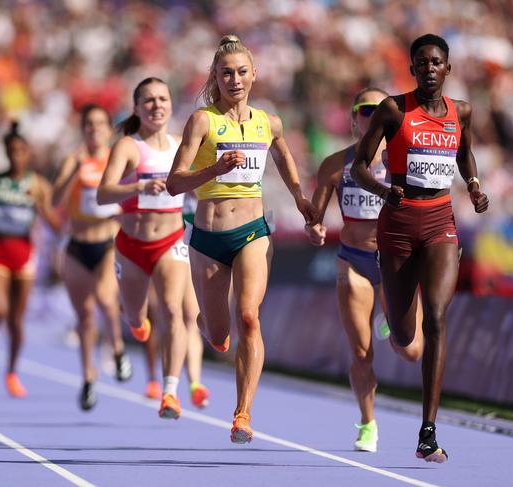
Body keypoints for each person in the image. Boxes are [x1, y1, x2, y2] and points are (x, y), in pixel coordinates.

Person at [166, 34, 318, 443]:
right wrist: (212, 171)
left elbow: (283, 157)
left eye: (242, 72)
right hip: (209, 238)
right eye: (226, 73)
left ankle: (243, 414)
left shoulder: (268, 122)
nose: (235, 80)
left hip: (252, 231)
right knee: (218, 336)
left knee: (249, 316)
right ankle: (207, 322)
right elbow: (173, 183)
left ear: (255, 75)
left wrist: (302, 199)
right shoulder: (203, 121)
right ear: (215, 77)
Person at [350, 34, 489, 462]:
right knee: (405, 332)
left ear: (448, 68)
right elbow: (358, 166)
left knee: (438, 318)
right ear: (412, 69)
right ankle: (392, 318)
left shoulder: (460, 112)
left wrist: (473, 184)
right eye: (421, 63)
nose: (429, 68)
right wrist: (382, 189)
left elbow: (465, 156)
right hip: (397, 224)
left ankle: (428, 431)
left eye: (436, 62)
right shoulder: (394, 109)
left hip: (440, 223)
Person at [306, 87, 424, 452]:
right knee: (360, 353)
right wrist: (315, 228)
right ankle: (368, 423)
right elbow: (315, 216)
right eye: (365, 109)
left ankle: (391, 319)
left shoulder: (405, 161)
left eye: (380, 109)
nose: (372, 115)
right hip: (353, 261)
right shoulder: (335, 164)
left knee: (411, 351)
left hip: (396, 261)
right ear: (354, 117)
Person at [97, 77, 189, 420]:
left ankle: (169, 392)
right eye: (148, 100)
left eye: (162, 99)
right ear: (136, 108)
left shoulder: (183, 145)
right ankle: (137, 326)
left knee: (172, 310)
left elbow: (196, 185)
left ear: (170, 104)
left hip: (170, 240)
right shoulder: (128, 147)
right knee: (136, 317)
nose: (156, 105)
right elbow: (103, 194)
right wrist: (140, 186)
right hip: (132, 244)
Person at [0, 121, 61, 397]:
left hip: (25, 255)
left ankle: (12, 372)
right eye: (11, 151)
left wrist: (40, 204)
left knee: (17, 321)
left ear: (28, 153)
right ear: (6, 152)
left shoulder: (38, 184)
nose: (16, 156)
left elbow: (56, 225)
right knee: (0, 309)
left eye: (21, 151)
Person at [52, 104, 132, 411]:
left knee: (107, 300)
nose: (95, 130)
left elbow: (131, 196)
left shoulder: (118, 159)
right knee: (84, 317)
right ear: (83, 129)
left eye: (100, 124)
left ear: (108, 128)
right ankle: (88, 377)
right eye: (89, 125)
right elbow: (56, 200)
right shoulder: (73, 160)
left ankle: (117, 349)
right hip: (77, 245)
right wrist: (71, 175)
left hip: (107, 244)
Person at [144, 191, 210, 408]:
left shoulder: (204, 170)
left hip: (191, 248)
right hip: (165, 249)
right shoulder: (166, 169)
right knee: (165, 316)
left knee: (191, 316)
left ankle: (195, 384)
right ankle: (157, 378)